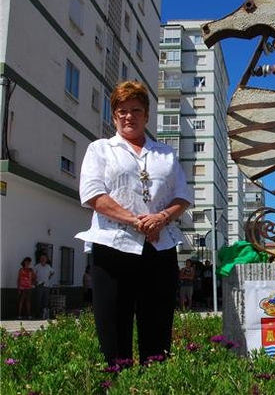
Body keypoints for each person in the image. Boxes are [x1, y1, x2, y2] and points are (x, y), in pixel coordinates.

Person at [75, 81, 193, 366]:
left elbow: (183, 196)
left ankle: (154, 381)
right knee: (113, 324)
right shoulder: (100, 149)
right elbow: (92, 194)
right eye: (122, 111)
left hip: (159, 247)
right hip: (113, 246)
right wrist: (135, 221)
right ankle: (118, 381)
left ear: (146, 115)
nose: (129, 116)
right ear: (114, 115)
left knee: (158, 325)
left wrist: (161, 217)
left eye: (136, 110)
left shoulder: (166, 154)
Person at [33, 253, 54, 319]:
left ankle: (44, 315)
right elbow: (33, 274)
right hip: (39, 284)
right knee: (38, 300)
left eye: (44, 258)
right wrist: (35, 281)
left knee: (46, 301)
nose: (43, 259)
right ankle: (37, 314)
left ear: (46, 259)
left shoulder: (48, 266)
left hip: (47, 285)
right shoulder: (37, 266)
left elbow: (52, 272)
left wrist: (49, 277)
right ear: (40, 259)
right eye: (42, 258)